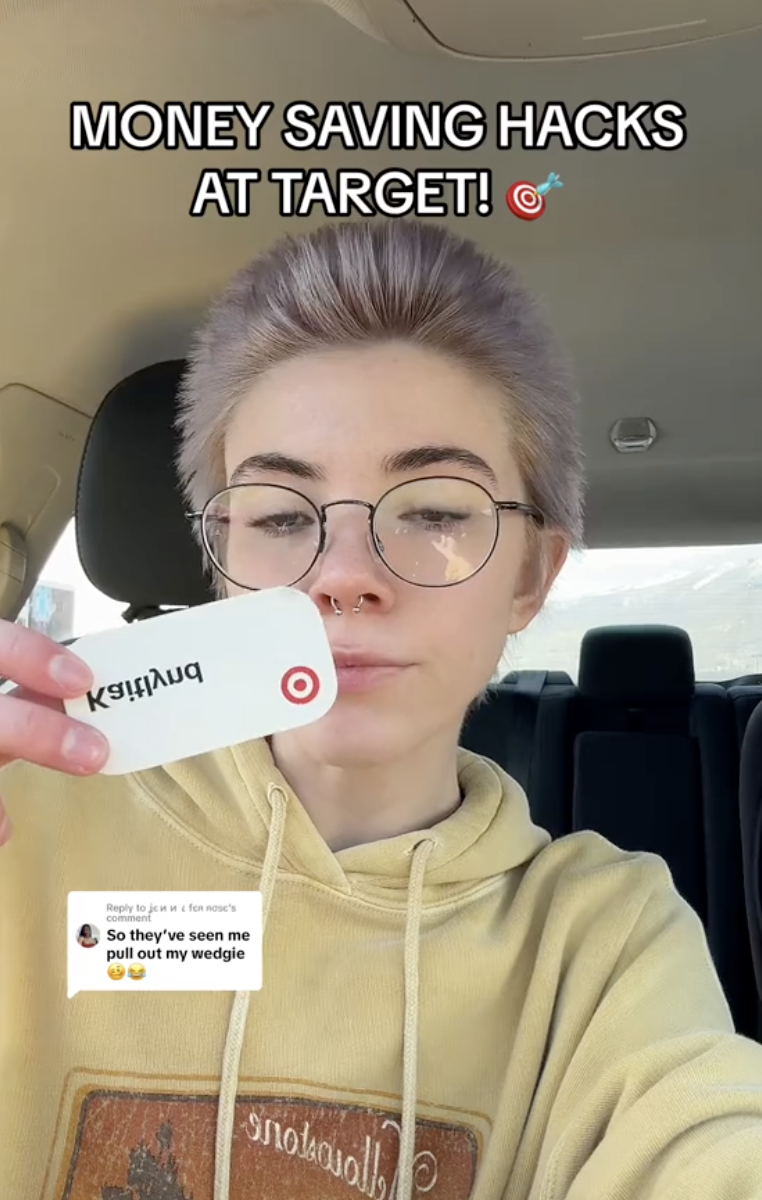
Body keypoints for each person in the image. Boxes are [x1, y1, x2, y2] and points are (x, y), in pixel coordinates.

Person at [0, 218, 761, 1200]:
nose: (345, 576)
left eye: (436, 510)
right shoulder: (28, 825)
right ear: (221, 565)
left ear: (530, 577)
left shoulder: (603, 943)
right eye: (280, 517)